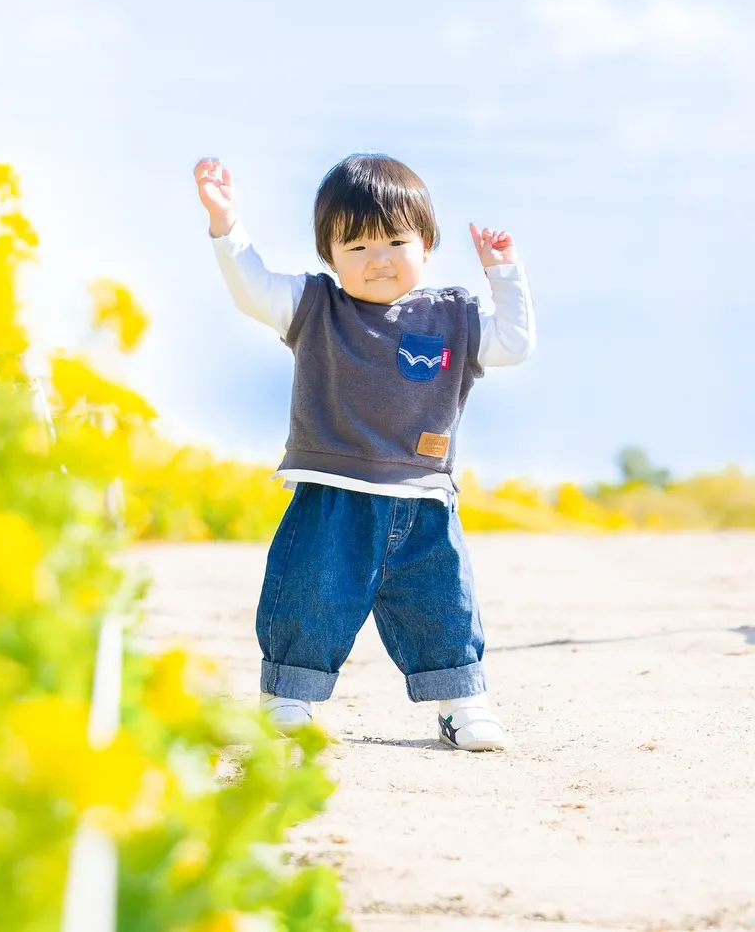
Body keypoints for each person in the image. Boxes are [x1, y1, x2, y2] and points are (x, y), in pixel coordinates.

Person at [194, 153, 535, 751]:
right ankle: (286, 701)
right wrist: (227, 225)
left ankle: (462, 703)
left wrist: (504, 273)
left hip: (424, 499)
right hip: (332, 493)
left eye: (395, 241)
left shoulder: (453, 316)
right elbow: (253, 290)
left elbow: (516, 343)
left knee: (443, 605)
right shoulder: (316, 308)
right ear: (329, 257)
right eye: (355, 247)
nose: (378, 259)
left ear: (426, 244)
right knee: (309, 596)